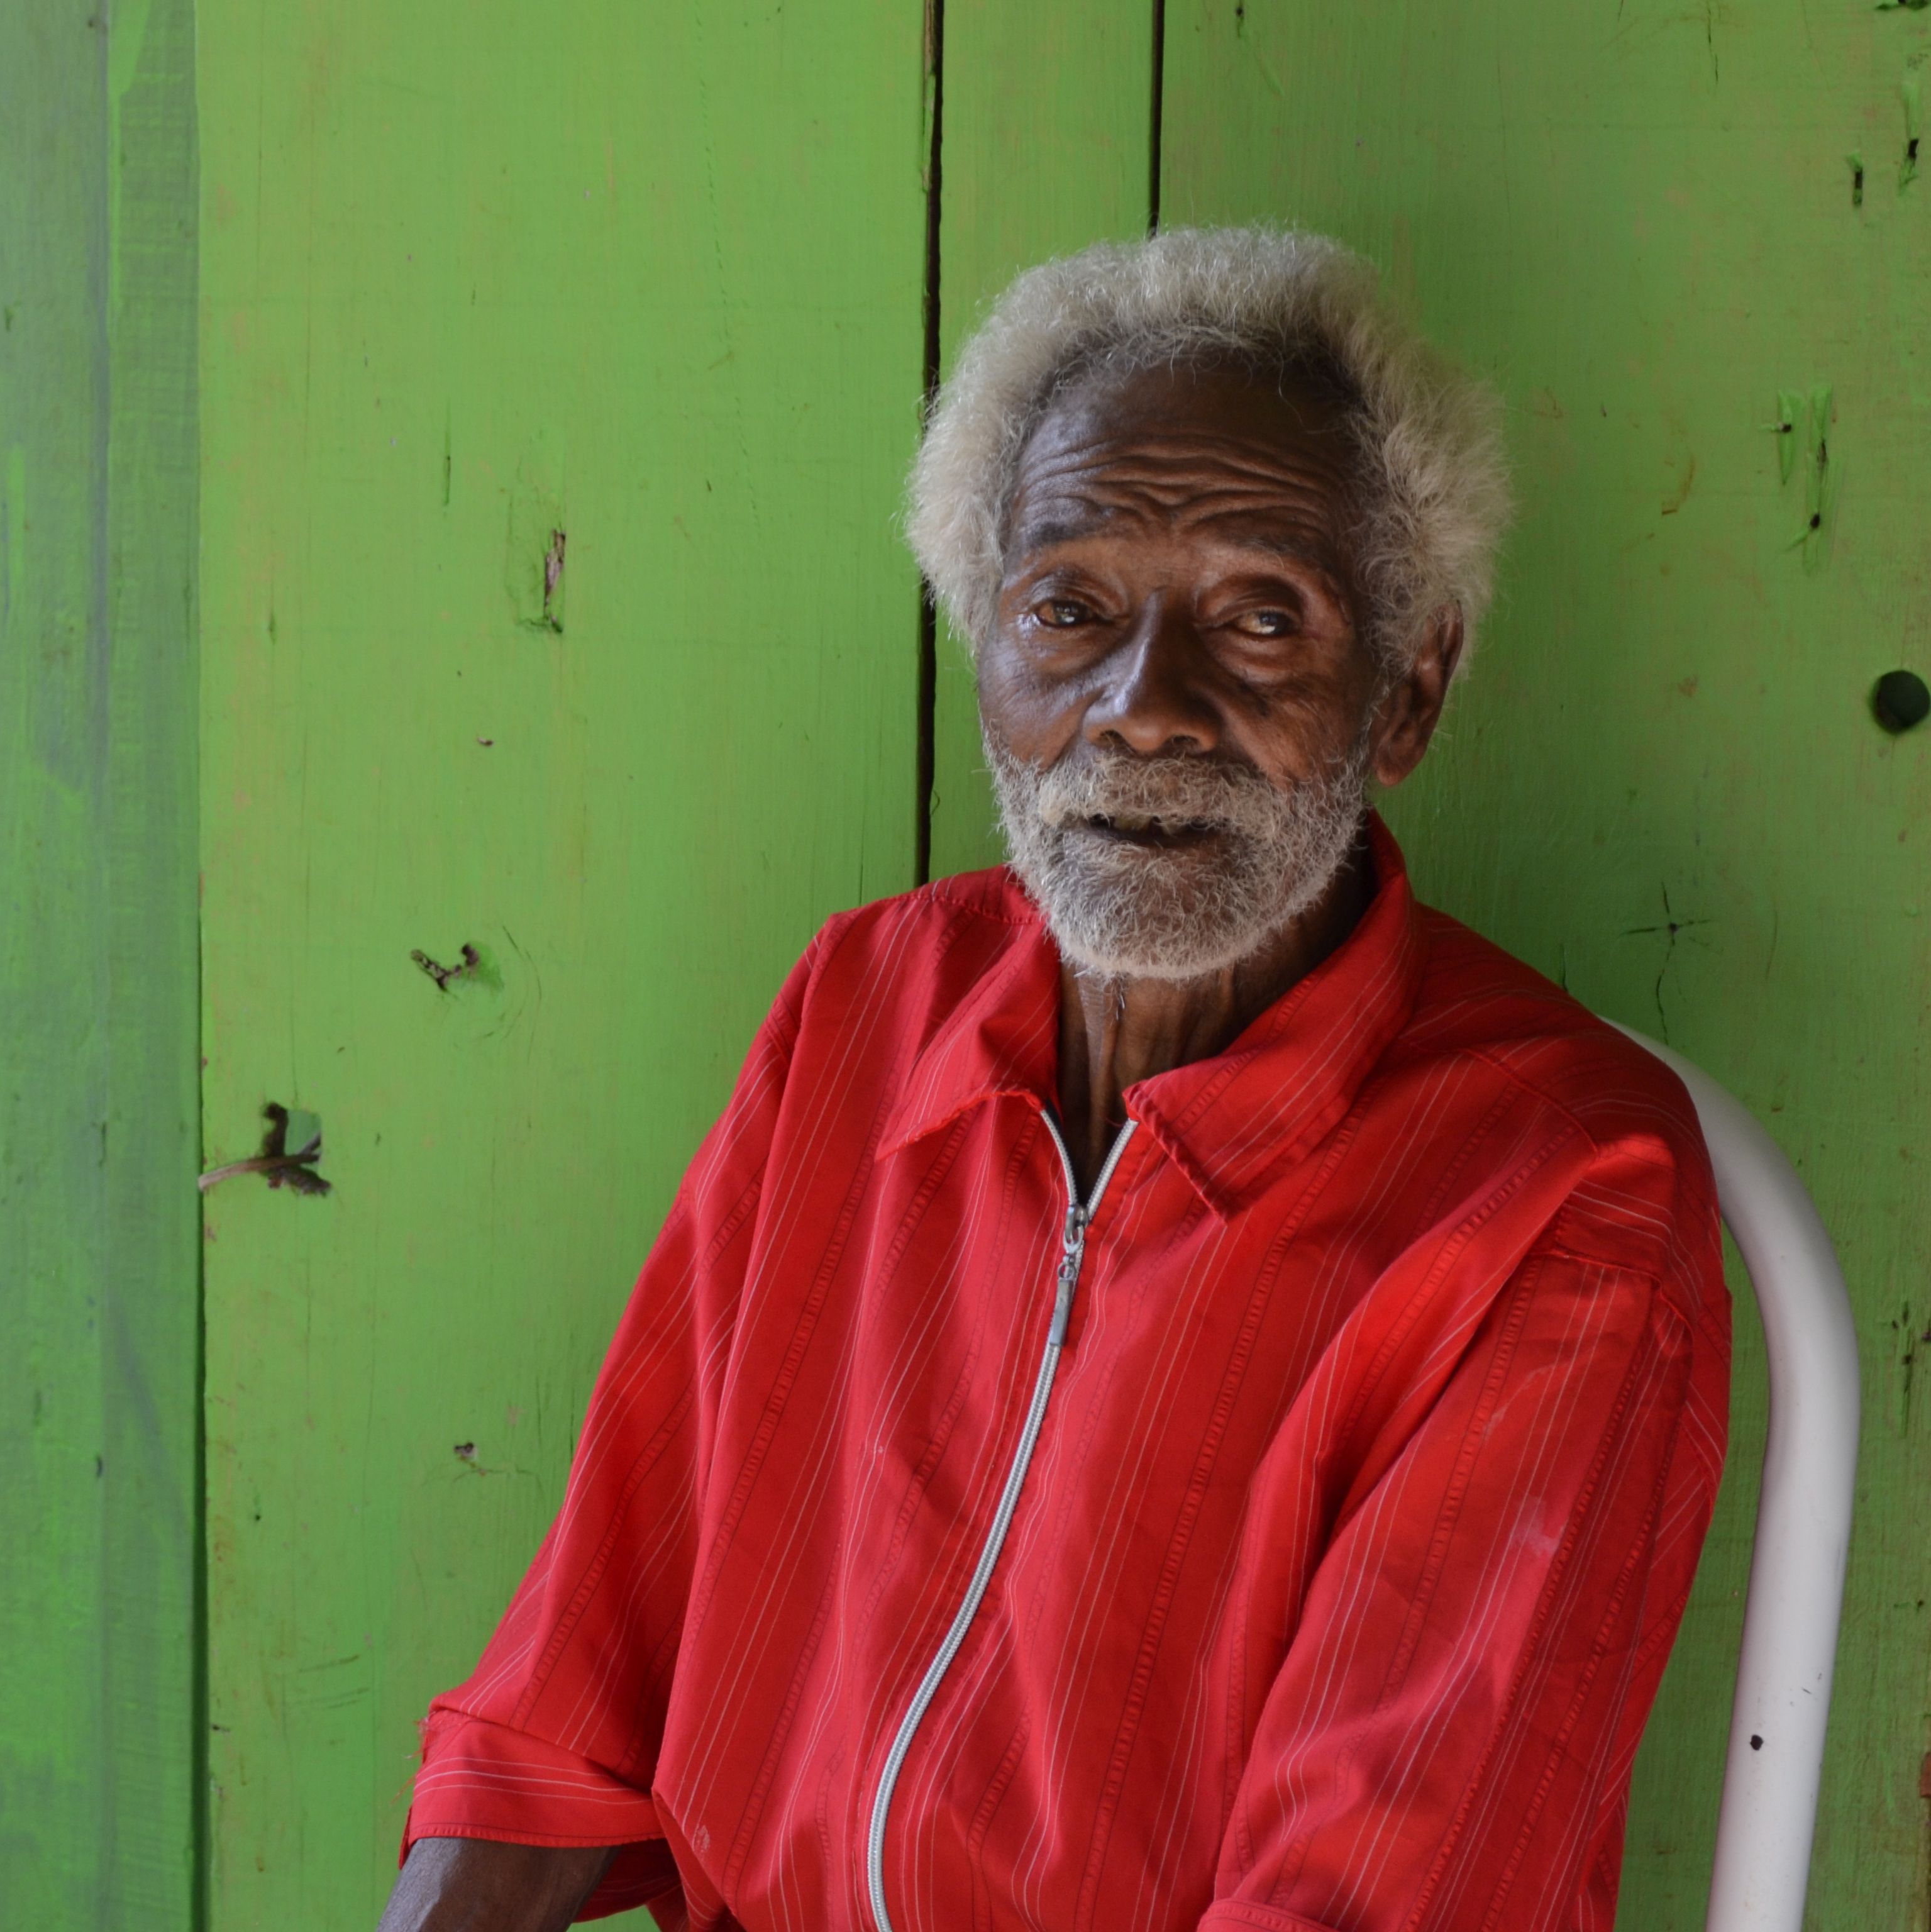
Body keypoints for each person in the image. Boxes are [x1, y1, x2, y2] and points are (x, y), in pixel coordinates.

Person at [373, 228, 1730, 1932]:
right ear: (986, 654)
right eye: (1067, 609)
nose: (1143, 710)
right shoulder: (866, 1011)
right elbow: (567, 1700)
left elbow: (1366, 1896)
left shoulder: (1555, 1192)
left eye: (1259, 614)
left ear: (1409, 689)